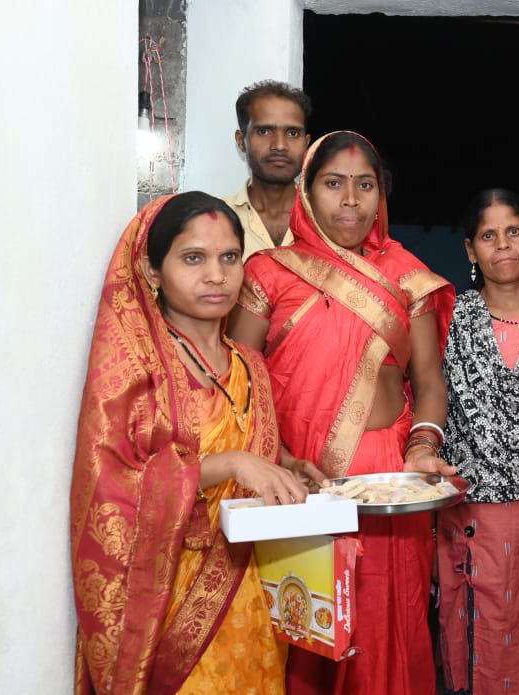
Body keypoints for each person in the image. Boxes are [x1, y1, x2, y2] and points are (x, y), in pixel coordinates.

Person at [227, 130, 456, 695]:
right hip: (295, 480)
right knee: (306, 633)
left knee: (388, 630)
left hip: (389, 483)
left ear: (381, 195)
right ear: (307, 192)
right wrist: (277, 460)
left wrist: (423, 446)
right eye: (334, 183)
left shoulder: (406, 274)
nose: (351, 199)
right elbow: (239, 386)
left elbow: (429, 382)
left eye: (364, 185)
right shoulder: (269, 273)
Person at [70, 191, 326, 693]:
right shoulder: (136, 369)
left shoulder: (251, 365)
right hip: (168, 603)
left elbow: (247, 442)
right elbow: (112, 484)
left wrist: (285, 465)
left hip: (253, 596)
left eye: (229, 257)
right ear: (152, 270)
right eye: (193, 258)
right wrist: (231, 463)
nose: (216, 275)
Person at [437, 188, 519, 694]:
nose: (503, 244)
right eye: (488, 236)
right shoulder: (446, 318)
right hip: (470, 515)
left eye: (513, 232)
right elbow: (427, 402)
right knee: (480, 644)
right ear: (471, 250)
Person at [225, 80, 313, 259]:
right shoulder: (215, 218)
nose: (280, 146)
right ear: (241, 141)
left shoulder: (326, 219)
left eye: (292, 133)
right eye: (264, 131)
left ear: (306, 144)